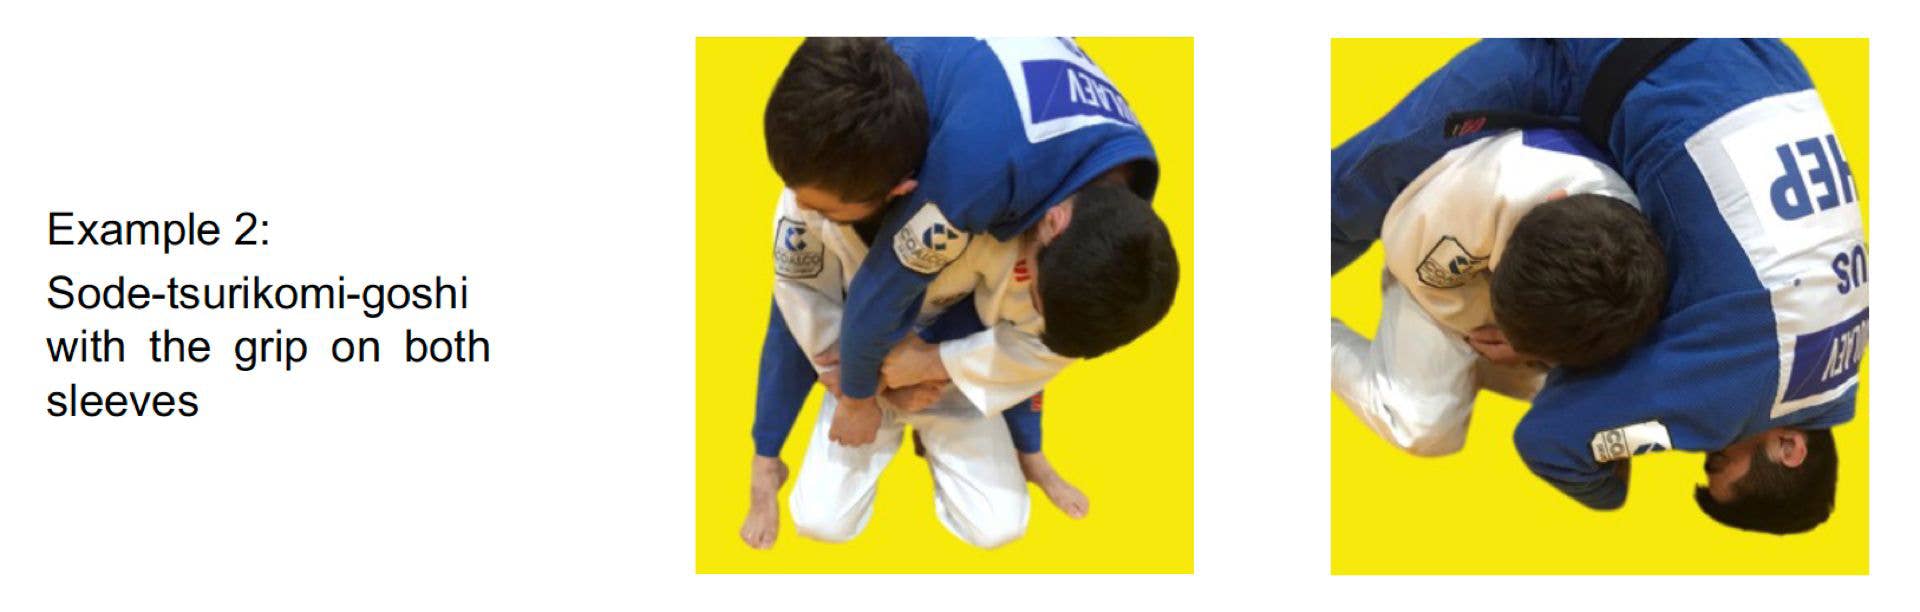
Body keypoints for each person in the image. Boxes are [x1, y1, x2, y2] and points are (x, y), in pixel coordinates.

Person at [1332, 39, 1864, 533]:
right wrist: (1613, 490)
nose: (1706, 444)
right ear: (1790, 448)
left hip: (1740, 54)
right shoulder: (1736, 401)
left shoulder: (1847, 342)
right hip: (1599, 55)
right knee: (1347, 195)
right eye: (1720, 457)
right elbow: (1550, 443)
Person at [771, 184, 1177, 548]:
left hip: (952, 377)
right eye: (1038, 300)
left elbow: (1038, 347)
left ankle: (958, 444)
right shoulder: (818, 195)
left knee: (1000, 528)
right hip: (862, 374)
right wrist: (863, 390)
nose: (1036, 305)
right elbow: (798, 296)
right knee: (818, 521)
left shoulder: (1035, 241)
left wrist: (931, 364)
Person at [1332, 127, 1662, 456]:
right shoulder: (1480, 191)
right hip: (1434, 279)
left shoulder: (1633, 248)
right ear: (1554, 198)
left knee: (1593, 409)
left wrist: (1528, 348)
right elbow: (1406, 259)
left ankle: (1479, 370)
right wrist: (1514, 337)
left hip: (1531, 312)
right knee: (1421, 427)